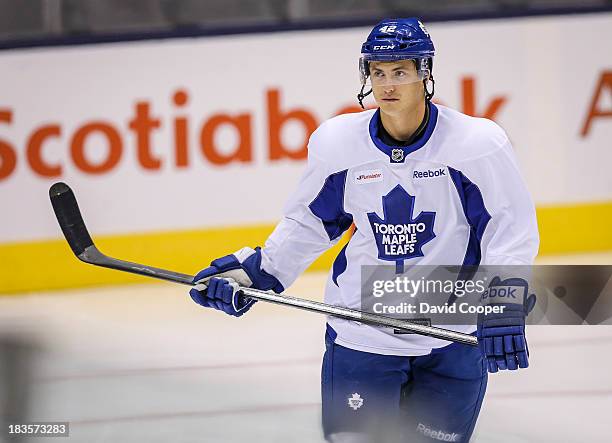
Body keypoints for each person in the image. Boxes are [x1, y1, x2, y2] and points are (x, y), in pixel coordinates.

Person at [189, 18, 539, 442]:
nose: (387, 84)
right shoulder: (339, 144)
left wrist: (502, 300)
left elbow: (509, 228)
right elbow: (311, 220)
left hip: (452, 333)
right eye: (378, 72)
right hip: (361, 332)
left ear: (425, 73)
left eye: (400, 72)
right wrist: (256, 273)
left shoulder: (476, 144)